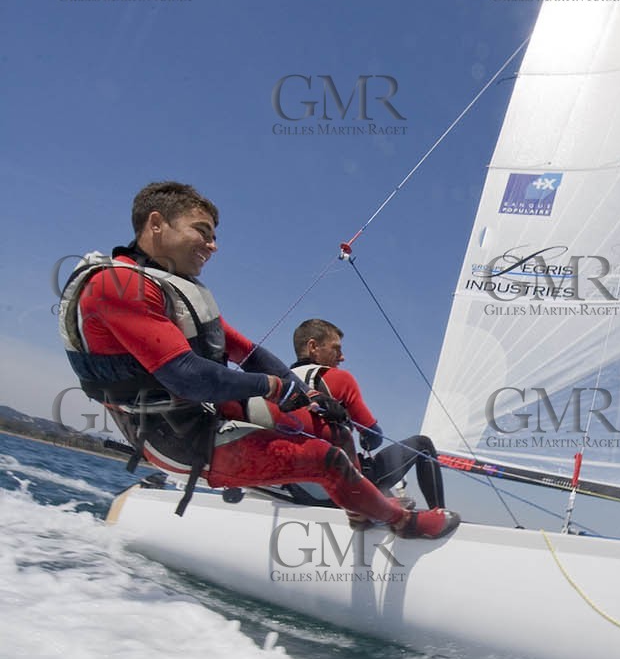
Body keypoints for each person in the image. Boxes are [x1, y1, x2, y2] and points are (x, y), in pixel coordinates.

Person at [58, 181, 459, 539]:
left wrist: (306, 395)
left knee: (332, 429)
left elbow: (247, 352)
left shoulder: (172, 288)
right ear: (156, 223)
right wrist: (273, 387)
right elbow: (186, 377)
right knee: (327, 459)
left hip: (205, 412)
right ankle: (400, 522)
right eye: (203, 232)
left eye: (214, 236)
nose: (213, 245)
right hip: (176, 439)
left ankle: (358, 509)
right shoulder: (116, 285)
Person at [292, 319, 445, 510]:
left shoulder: (281, 381)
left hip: (297, 488)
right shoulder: (339, 379)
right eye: (336, 349)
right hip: (340, 490)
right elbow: (373, 436)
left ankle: (387, 503)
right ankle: (440, 516)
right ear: (313, 347)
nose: (342, 357)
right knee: (423, 445)